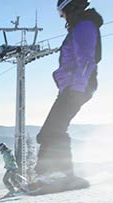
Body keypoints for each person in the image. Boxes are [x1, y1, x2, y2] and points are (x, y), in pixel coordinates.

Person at [34, 0, 103, 181]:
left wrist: (76, 88)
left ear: (71, 7)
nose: (62, 17)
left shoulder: (84, 26)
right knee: (51, 130)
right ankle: (47, 174)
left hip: (78, 87)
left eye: (62, 12)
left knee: (53, 130)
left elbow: (87, 59)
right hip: (72, 87)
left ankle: (60, 175)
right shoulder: (80, 25)